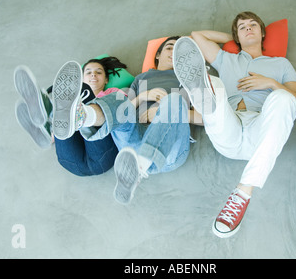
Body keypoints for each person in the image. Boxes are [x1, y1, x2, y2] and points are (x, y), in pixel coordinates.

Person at [172, 11, 296, 238]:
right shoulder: (226, 58)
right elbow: (196, 36)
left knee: (284, 98)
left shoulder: (280, 64)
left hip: (260, 132)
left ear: (263, 33)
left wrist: (271, 83)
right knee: (215, 87)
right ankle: (203, 88)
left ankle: (244, 192)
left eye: (254, 25)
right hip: (228, 126)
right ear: (236, 37)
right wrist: (233, 39)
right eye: (242, 27)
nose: (249, 28)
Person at [52, 36, 202, 205]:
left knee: (175, 99)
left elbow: (205, 118)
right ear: (158, 55)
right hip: (134, 141)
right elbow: (124, 109)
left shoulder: (189, 82)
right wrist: (143, 96)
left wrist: (162, 113)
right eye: (170, 48)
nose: (174, 53)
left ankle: (141, 166)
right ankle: (82, 116)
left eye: (179, 52)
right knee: (118, 96)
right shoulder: (140, 79)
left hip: (169, 149)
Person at [14, 56, 128, 176]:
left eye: (98, 72)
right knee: (62, 108)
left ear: (106, 79)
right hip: (70, 159)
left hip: (103, 155)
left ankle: (53, 112)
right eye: (88, 72)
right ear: (82, 78)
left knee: (105, 98)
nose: (93, 75)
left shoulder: (112, 93)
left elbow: (125, 112)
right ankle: (49, 120)